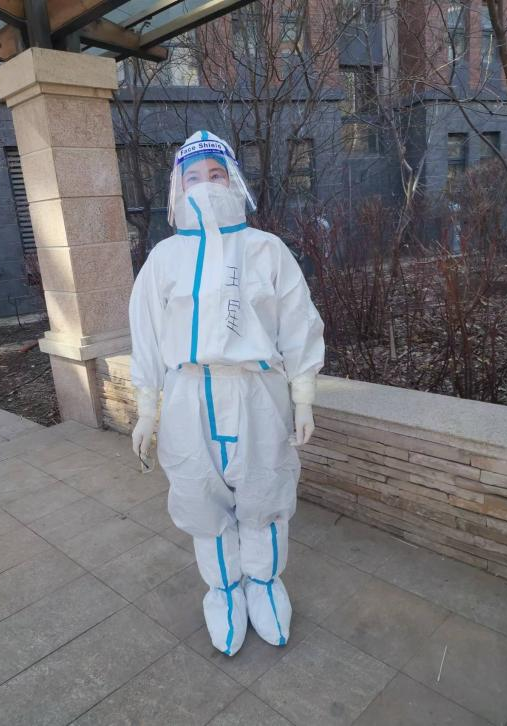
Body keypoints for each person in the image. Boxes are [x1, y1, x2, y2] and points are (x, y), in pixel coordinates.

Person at [129, 130, 324, 656]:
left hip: (257, 392)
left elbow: (299, 324)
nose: (207, 185)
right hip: (189, 395)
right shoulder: (164, 259)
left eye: (217, 174)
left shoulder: (266, 250)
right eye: (194, 177)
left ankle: (264, 584)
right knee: (201, 497)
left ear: (234, 180)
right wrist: (146, 408)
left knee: (265, 491)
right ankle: (224, 591)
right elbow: (145, 335)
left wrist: (303, 394)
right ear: (178, 187)